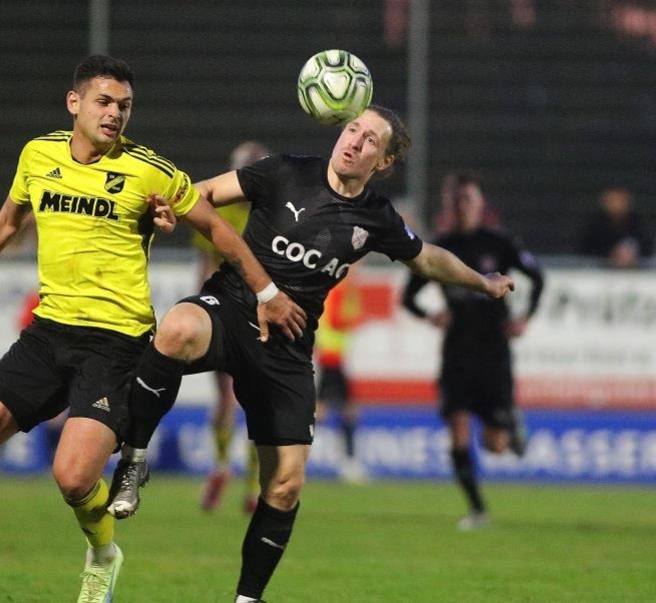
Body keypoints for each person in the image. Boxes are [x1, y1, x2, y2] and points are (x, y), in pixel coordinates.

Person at [0, 54, 304, 603]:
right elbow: (6, 222)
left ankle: (104, 555)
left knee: (72, 477)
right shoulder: (37, 155)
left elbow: (217, 229)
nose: (115, 114)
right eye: (104, 102)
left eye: (125, 106)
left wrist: (267, 293)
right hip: (48, 333)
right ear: (74, 102)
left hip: (117, 344)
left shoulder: (149, 170)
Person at [106, 105, 515, 603]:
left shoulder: (376, 217)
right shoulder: (285, 170)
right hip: (230, 307)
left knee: (285, 484)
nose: (354, 142)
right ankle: (134, 460)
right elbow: (205, 192)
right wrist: (171, 210)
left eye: (370, 140)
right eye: (352, 130)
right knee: (175, 328)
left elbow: (427, 257)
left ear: (383, 162)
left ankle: (247, 600)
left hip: (288, 343)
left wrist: (480, 282)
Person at [401, 172, 544, 531]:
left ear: (481, 204)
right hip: (457, 353)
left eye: (467, 199)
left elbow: (538, 277)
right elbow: (408, 296)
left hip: (494, 352)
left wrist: (524, 317)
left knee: (495, 445)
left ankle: (510, 423)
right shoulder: (439, 248)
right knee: (458, 426)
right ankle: (478, 509)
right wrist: (430, 315)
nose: (461, 206)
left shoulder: (500, 242)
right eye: (456, 200)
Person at [194, 141, 270, 514]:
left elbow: (205, 269)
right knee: (244, 398)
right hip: (232, 313)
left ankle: (234, 474)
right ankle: (241, 479)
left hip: (256, 314)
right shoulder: (225, 211)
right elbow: (206, 267)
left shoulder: (266, 212)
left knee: (236, 399)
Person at [314, 269, 365, 483]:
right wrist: (355, 320)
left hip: (336, 357)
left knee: (342, 410)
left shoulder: (345, 291)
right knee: (337, 411)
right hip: (330, 357)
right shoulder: (336, 291)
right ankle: (348, 460)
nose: (356, 274)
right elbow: (336, 320)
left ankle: (347, 459)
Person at [577, 186, 653, 269]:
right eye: (613, 200)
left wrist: (632, 255)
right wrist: (610, 254)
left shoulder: (637, 225)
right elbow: (584, 251)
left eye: (621, 200)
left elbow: (646, 248)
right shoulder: (594, 227)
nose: (617, 205)